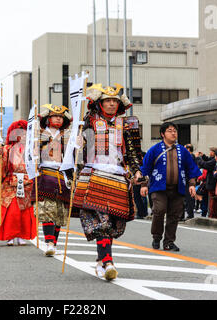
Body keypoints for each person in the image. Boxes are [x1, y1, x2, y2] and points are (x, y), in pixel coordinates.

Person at [72, 83, 143, 281]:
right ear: (100, 103)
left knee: (113, 222)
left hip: (119, 176)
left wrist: (137, 171)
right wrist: (76, 143)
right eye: (107, 101)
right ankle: (108, 262)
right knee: (102, 220)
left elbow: (133, 152)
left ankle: (101, 259)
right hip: (95, 174)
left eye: (114, 101)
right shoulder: (89, 121)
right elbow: (78, 150)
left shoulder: (128, 123)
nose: (111, 104)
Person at [141, 122, 201, 252]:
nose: (173, 133)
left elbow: (191, 168)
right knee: (159, 210)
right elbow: (145, 168)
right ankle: (156, 237)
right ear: (163, 134)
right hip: (158, 187)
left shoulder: (183, 151)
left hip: (178, 187)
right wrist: (144, 185)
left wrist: (191, 184)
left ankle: (169, 242)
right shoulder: (154, 149)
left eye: (175, 131)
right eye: (169, 130)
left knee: (174, 215)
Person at [31, 104, 73, 256]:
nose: (58, 119)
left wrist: (80, 144)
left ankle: (53, 243)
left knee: (59, 211)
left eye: (61, 117)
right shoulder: (38, 133)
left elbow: (76, 154)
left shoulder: (68, 135)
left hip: (62, 174)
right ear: (48, 119)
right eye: (55, 116)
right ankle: (49, 242)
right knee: (46, 209)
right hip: (44, 173)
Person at [0, 120, 37, 246]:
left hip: (27, 182)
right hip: (10, 182)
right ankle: (10, 235)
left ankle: (21, 235)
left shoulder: (31, 149)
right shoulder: (6, 149)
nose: (23, 134)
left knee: (25, 210)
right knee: (11, 210)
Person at [195, 147, 217, 219]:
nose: (210, 153)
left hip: (211, 184)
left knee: (212, 201)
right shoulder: (213, 160)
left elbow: (205, 164)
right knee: (210, 201)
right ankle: (209, 214)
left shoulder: (214, 161)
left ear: (214, 153)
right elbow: (208, 160)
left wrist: (198, 158)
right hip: (209, 183)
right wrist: (203, 156)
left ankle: (211, 215)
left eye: (211, 151)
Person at [182, 144, 196, 220]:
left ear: (188, 149)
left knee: (188, 198)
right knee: (183, 198)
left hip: (189, 180)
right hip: (184, 179)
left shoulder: (191, 156)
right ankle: (182, 215)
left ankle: (190, 214)